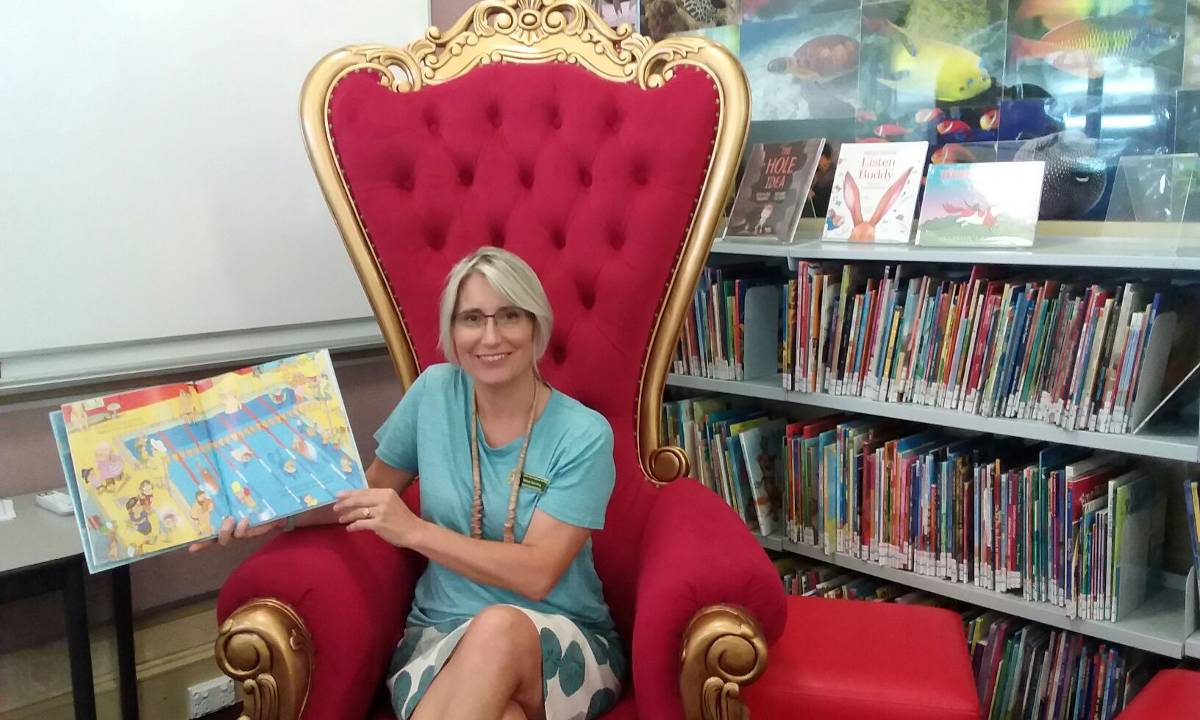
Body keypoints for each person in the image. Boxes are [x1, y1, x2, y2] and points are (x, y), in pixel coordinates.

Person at [197, 247, 624, 720]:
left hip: (562, 641)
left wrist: (415, 531)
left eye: (509, 316)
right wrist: (272, 514)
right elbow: (371, 487)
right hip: (439, 637)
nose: (490, 336)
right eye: (472, 318)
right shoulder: (434, 393)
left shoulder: (583, 434)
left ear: (536, 326)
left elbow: (538, 573)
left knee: (499, 627)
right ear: (452, 330)